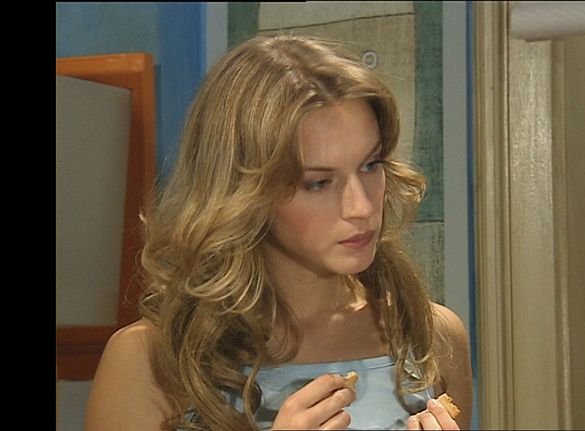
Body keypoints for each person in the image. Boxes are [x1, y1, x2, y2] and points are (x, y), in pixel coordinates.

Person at [84, 34, 473, 431]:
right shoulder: (147, 361)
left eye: (370, 165)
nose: (361, 207)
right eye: (319, 183)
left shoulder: (433, 336)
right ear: (243, 192)